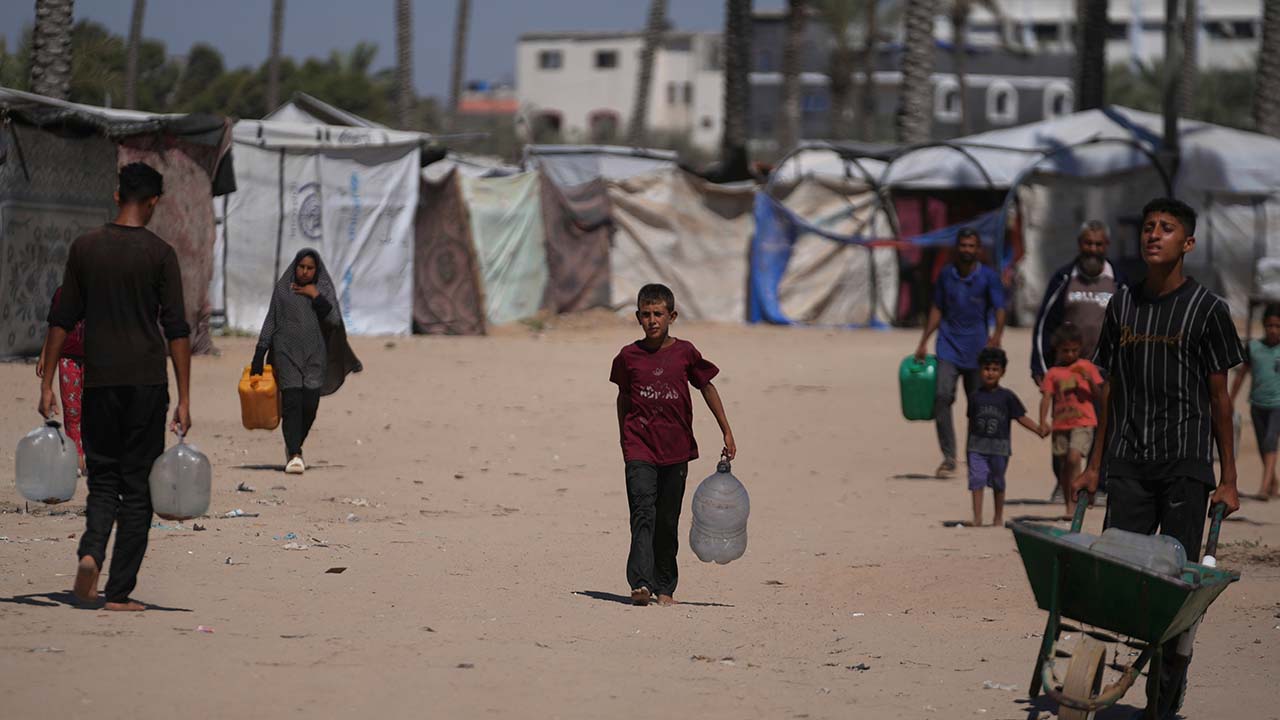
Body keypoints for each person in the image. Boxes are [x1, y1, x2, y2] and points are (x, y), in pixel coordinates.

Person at [1074, 197, 1243, 719]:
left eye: (1167, 228)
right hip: (1127, 460)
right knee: (1115, 575)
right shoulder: (1122, 305)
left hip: (1185, 466)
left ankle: (1164, 693)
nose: (1154, 234)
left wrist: (1229, 478)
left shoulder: (1208, 310)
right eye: (1149, 226)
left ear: (1187, 243)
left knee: (1175, 586)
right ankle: (1092, 678)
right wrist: (1095, 465)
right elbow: (1110, 390)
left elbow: (1219, 399)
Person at [38, 162, 191, 612]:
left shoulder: (86, 248)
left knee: (103, 480)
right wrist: (185, 397)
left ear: (116, 195)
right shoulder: (160, 254)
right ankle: (119, 592)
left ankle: (90, 553)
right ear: (154, 202)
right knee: (137, 488)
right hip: (146, 383)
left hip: (99, 381)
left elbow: (62, 318)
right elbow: (177, 330)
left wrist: (46, 382)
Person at [610, 283, 736, 607]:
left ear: (672, 316)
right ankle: (640, 583)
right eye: (646, 314)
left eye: (658, 314)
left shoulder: (685, 353)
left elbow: (706, 386)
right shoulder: (628, 357)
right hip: (639, 447)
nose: (652, 321)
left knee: (667, 520)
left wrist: (726, 430)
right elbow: (623, 397)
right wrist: (625, 439)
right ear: (637, 317)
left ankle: (665, 588)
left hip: (676, 448)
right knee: (642, 513)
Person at [1030, 220, 1124, 500]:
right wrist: (1040, 366)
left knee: (1105, 425)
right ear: (1079, 244)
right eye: (1088, 243)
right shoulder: (1063, 278)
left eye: (1098, 244)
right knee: (1065, 425)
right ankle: (1063, 484)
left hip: (1105, 371)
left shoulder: (1119, 279)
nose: (1093, 249)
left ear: (1106, 246)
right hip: (1068, 371)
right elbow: (1044, 324)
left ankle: (1100, 483)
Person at [250, 248, 362, 475]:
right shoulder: (283, 289)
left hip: (315, 356)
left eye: (310, 268)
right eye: (301, 267)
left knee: (309, 405)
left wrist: (315, 295)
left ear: (316, 270)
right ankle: (294, 453)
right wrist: (259, 354)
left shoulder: (323, 289)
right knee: (291, 403)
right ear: (295, 266)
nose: (304, 271)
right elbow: (271, 320)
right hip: (286, 354)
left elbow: (334, 321)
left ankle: (294, 444)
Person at [915, 228, 1007, 479]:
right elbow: (937, 308)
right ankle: (948, 457)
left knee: (978, 405)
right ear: (957, 248)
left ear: (978, 249)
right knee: (942, 396)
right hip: (948, 347)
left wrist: (997, 335)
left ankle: (974, 455)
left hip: (978, 351)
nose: (967, 250)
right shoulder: (946, 275)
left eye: (971, 246)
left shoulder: (988, 277)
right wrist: (924, 340)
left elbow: (1000, 308)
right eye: (963, 245)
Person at [966, 347, 1044, 527]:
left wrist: (1037, 429)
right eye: (986, 368)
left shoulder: (1007, 397)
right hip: (976, 448)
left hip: (999, 449)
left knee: (998, 482)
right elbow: (971, 425)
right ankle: (977, 518)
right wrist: (967, 450)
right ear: (980, 370)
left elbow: (1020, 417)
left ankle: (998, 517)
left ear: (1002, 372)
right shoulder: (975, 397)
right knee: (977, 480)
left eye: (995, 369)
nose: (990, 373)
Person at [1038, 322, 1105, 514]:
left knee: (1074, 457)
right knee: (1064, 466)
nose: (1070, 355)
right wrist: (1042, 422)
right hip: (1061, 424)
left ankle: (1075, 502)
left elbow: (1100, 396)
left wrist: (1089, 381)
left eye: (1074, 350)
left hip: (1084, 422)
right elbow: (1046, 398)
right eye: (1065, 351)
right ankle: (1069, 503)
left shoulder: (1087, 367)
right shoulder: (1053, 373)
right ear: (1057, 350)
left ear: (1080, 348)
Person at [1229, 303, 1280, 500]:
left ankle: (1263, 489)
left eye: (1277, 326)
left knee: (1270, 441)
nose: (1273, 330)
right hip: (1257, 404)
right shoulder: (1253, 347)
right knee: (1262, 445)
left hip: (1277, 405)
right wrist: (1231, 399)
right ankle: (1273, 483)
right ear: (1264, 325)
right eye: (1270, 325)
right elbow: (1241, 375)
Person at [36, 287, 87, 474]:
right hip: (68, 358)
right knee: (72, 410)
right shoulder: (62, 293)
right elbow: (54, 326)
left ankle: (92, 455)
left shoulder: (101, 288)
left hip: (96, 358)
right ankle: (76, 456)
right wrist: (45, 354)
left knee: (94, 408)